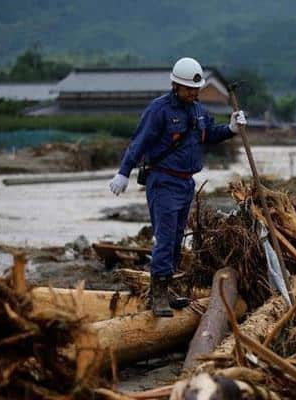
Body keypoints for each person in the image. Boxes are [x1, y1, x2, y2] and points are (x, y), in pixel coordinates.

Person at [108, 57, 247, 317]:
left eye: (196, 89)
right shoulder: (159, 110)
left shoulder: (198, 110)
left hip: (185, 183)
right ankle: (158, 295)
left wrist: (230, 128)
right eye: (188, 89)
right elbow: (138, 142)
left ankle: (168, 289)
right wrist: (123, 172)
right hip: (163, 181)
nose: (193, 93)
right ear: (175, 86)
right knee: (165, 238)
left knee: (175, 242)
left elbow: (209, 135)